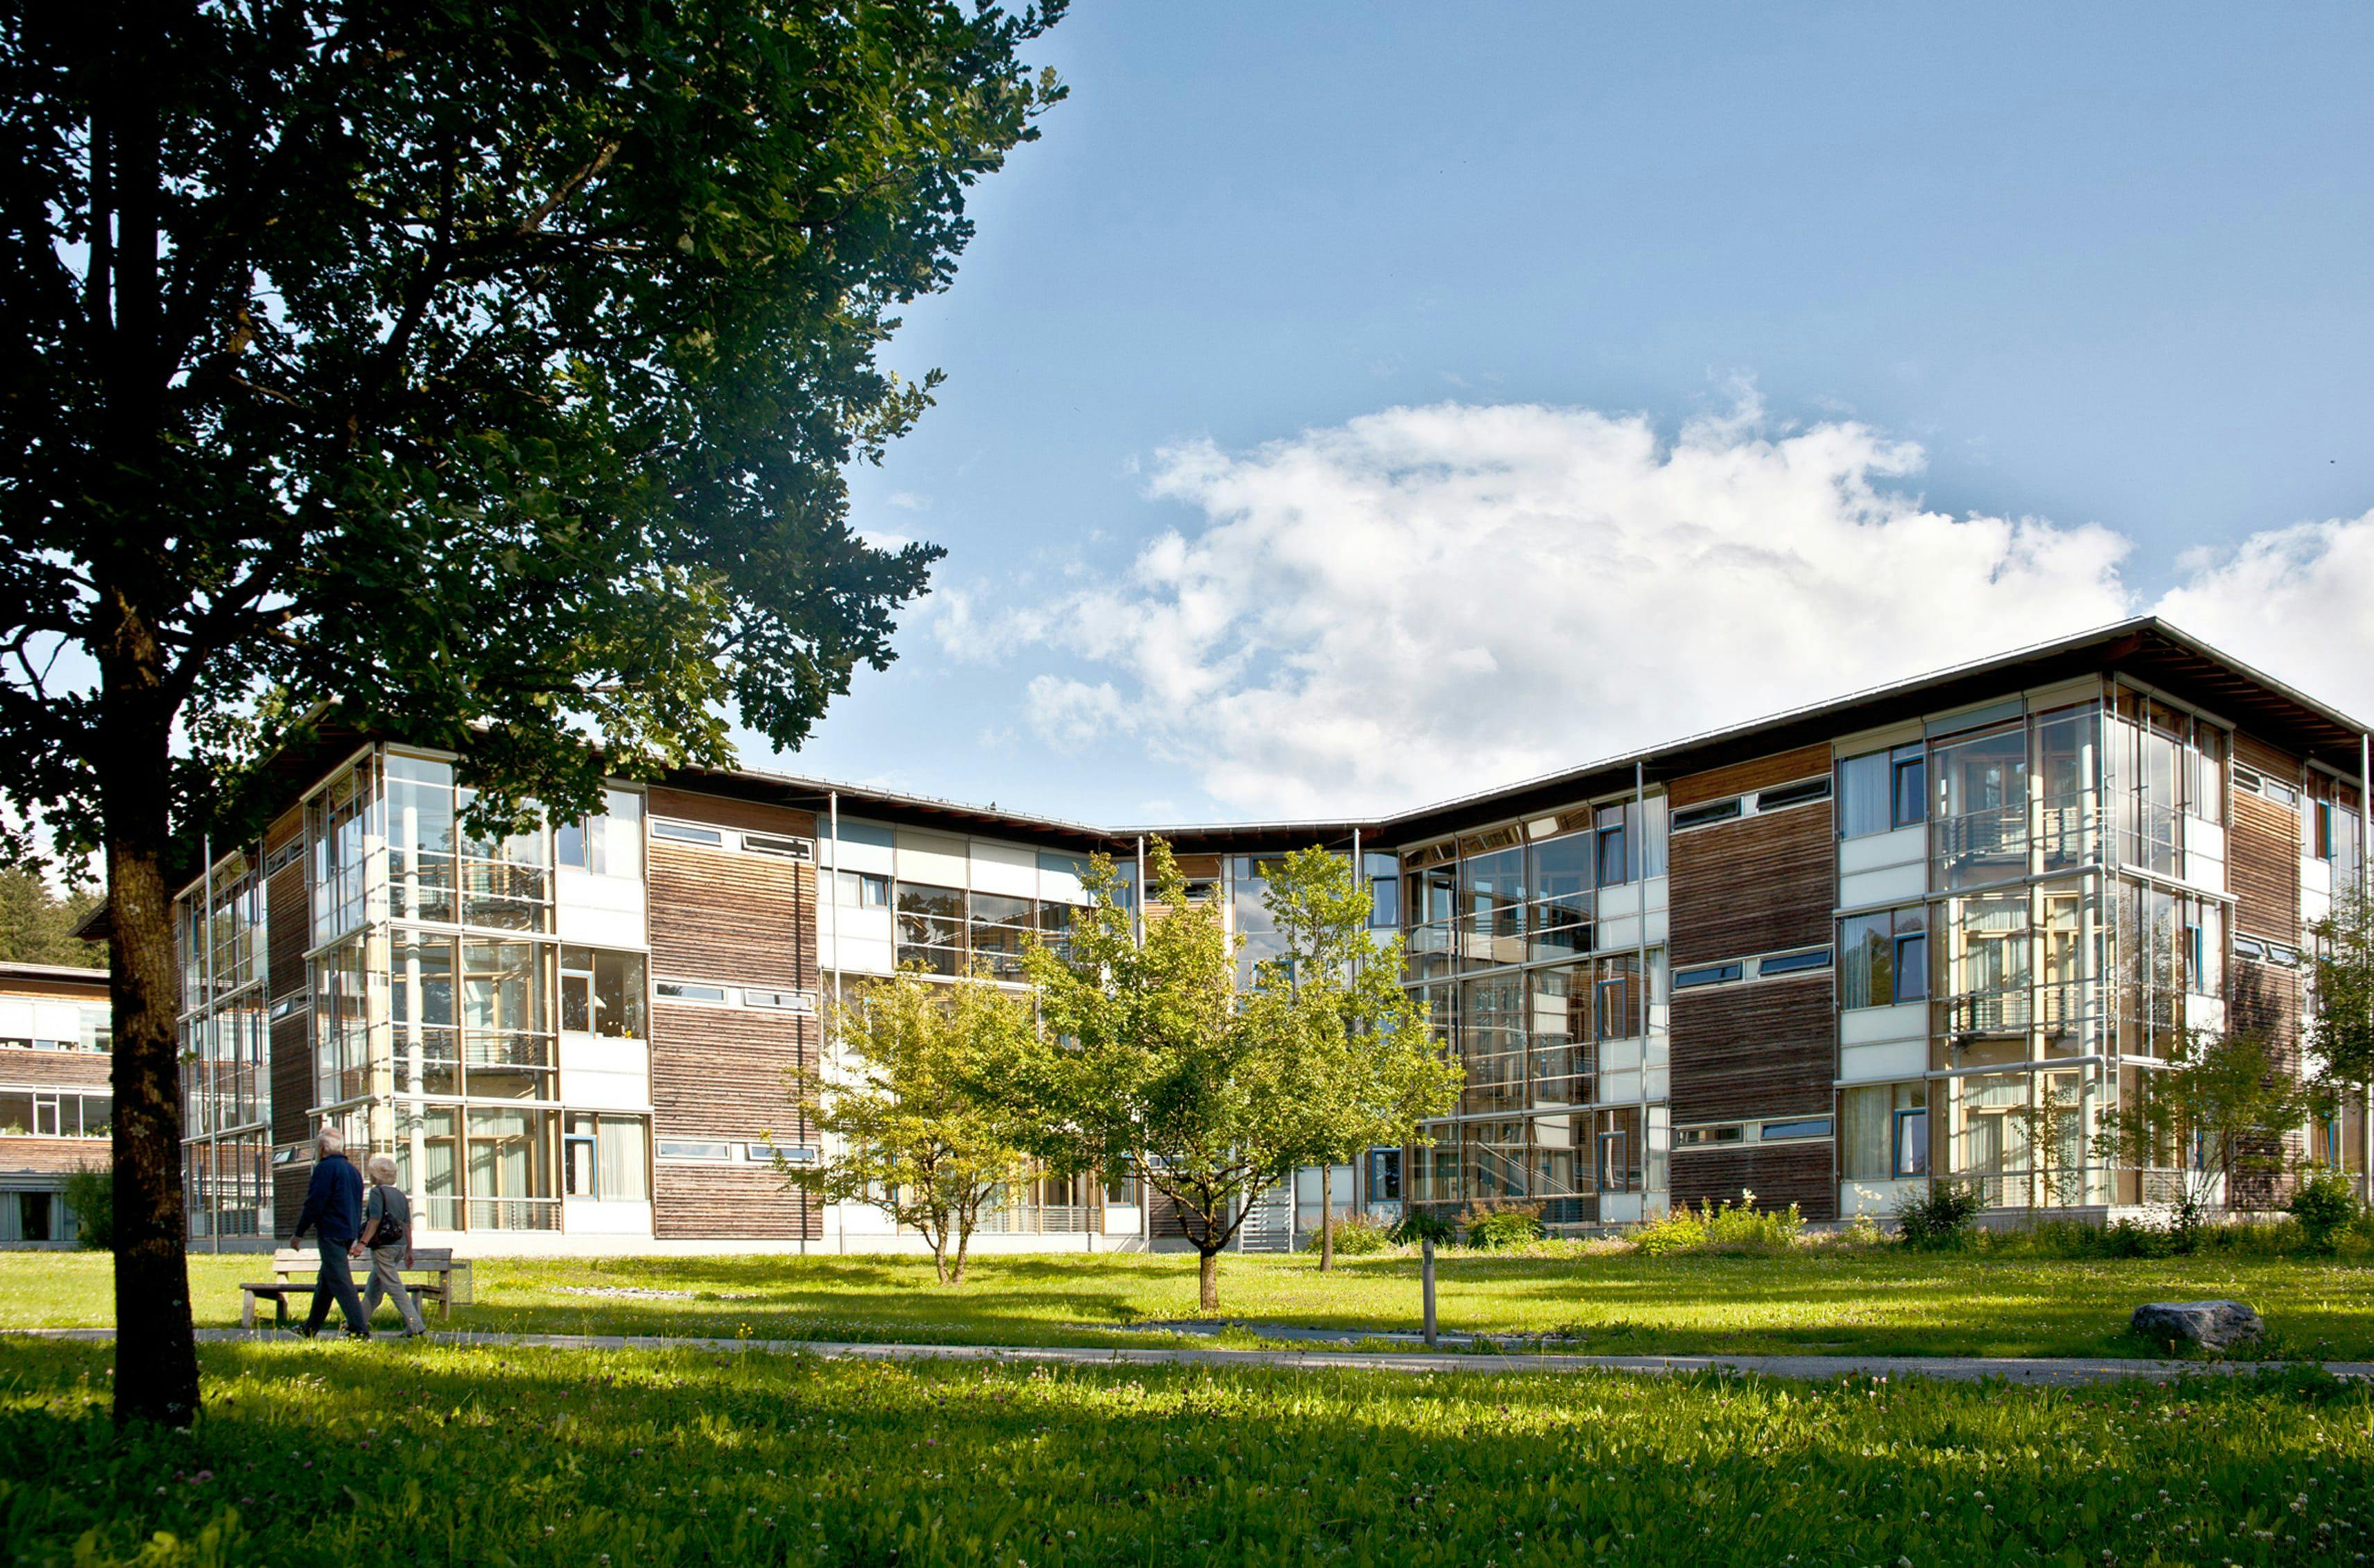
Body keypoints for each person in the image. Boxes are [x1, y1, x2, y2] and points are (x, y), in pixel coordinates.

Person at [290, 1124, 369, 1339]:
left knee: (341, 1281)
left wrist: (299, 1233)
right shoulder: (353, 1171)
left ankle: (360, 1329)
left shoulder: (325, 1169)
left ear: (323, 1149)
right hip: (347, 1232)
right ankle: (310, 1328)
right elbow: (357, 1203)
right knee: (327, 1281)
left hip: (331, 1232)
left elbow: (314, 1203)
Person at [352, 1153, 428, 1338]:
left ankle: (416, 1325)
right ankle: (357, 1325)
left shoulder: (378, 1193)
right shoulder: (400, 1195)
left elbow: (374, 1220)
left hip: (384, 1247)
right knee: (374, 1288)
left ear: (376, 1176)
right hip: (400, 1247)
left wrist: (362, 1243)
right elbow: (408, 1226)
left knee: (395, 1288)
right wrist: (409, 1250)